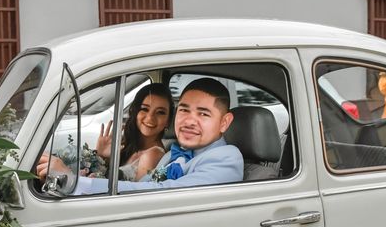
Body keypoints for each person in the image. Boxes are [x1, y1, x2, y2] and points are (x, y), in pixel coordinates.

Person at [37, 78, 243, 194]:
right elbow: (141, 186)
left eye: (203, 114)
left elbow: (162, 193)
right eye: (184, 110)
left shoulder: (226, 157)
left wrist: (75, 182)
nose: (189, 120)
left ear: (224, 122)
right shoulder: (172, 155)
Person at [94, 83, 173, 181]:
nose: (150, 118)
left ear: (168, 121)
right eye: (144, 109)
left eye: (160, 112)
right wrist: (101, 156)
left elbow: (135, 193)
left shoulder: (152, 155)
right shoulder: (129, 144)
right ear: (135, 112)